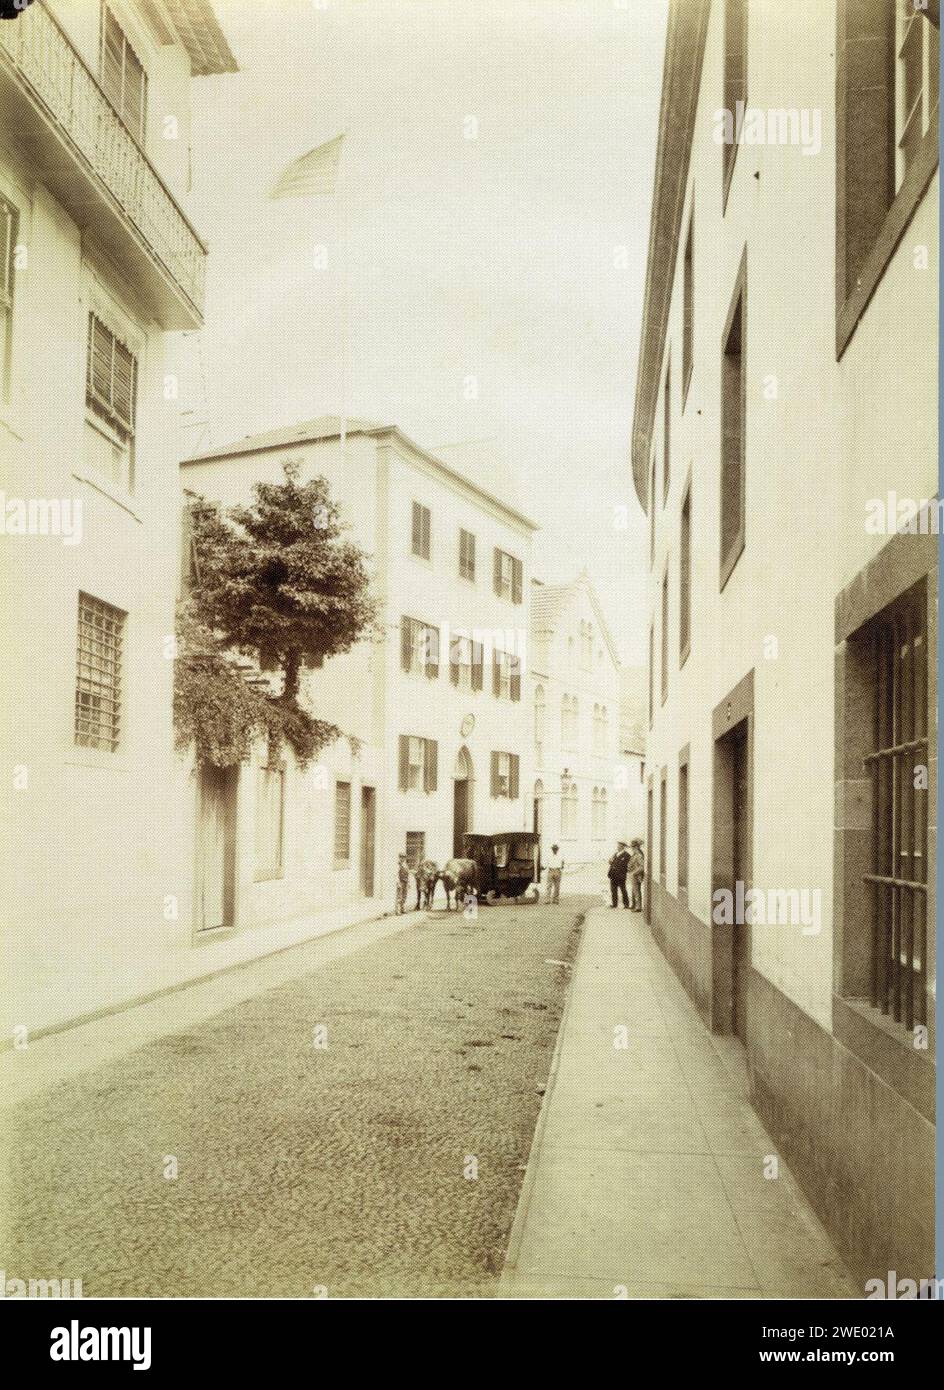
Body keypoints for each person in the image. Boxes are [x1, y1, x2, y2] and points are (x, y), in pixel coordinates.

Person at [608, 840, 631, 908]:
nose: (618, 847)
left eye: (619, 845)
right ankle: (614, 904)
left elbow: (628, 865)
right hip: (613, 875)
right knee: (613, 890)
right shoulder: (615, 854)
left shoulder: (627, 855)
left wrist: (623, 871)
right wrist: (610, 861)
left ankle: (626, 904)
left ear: (623, 846)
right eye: (618, 845)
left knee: (623, 890)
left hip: (621, 875)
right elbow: (611, 862)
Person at [629, 839, 645, 912]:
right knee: (634, 891)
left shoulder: (639, 855)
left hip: (636, 876)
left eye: (633, 847)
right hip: (634, 875)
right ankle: (634, 905)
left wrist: (634, 873)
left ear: (636, 847)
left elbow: (642, 867)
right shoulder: (635, 854)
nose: (632, 849)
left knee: (636, 891)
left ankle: (638, 907)